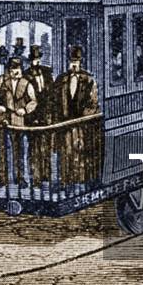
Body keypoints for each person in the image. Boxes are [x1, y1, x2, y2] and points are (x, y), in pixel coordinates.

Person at [53, 46, 101, 184]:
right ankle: (65, 181)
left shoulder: (89, 80)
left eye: (76, 61)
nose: (74, 64)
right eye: (72, 61)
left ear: (81, 62)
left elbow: (93, 103)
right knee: (65, 152)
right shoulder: (61, 79)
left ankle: (79, 180)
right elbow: (55, 101)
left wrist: (82, 118)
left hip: (80, 124)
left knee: (79, 151)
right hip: (64, 123)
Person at [0, 57, 38, 187]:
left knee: (19, 150)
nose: (15, 72)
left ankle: (19, 177)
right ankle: (3, 178)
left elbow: (33, 101)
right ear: (9, 70)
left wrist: (25, 110)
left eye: (17, 69)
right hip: (3, 119)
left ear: (21, 69)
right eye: (12, 69)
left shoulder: (26, 83)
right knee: (2, 149)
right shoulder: (1, 81)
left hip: (18, 120)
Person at [24, 45, 55, 183]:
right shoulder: (25, 75)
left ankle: (46, 174)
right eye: (33, 59)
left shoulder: (47, 73)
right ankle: (35, 177)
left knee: (46, 146)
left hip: (46, 116)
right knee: (33, 147)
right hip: (33, 117)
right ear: (30, 60)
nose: (35, 61)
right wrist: (31, 116)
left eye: (37, 59)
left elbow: (52, 94)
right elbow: (25, 98)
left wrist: (51, 114)